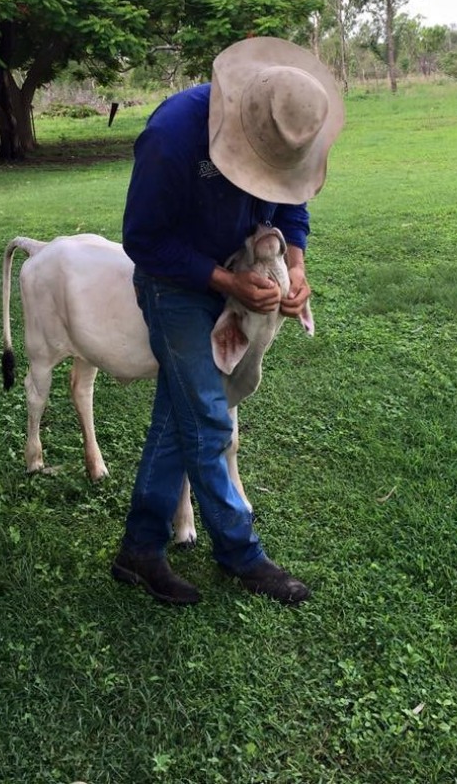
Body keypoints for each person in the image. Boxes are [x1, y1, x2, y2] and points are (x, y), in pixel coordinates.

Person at [111, 36, 344, 606]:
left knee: (180, 412)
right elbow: (143, 240)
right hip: (177, 283)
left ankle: (139, 549)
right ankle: (241, 553)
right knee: (210, 421)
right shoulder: (173, 136)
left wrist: (295, 262)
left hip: (241, 272)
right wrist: (226, 282)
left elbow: (292, 202)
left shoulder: (295, 122)